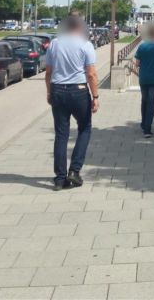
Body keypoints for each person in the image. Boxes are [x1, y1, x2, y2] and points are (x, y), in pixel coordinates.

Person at [44, 15, 100, 191]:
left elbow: (48, 72)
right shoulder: (86, 45)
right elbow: (91, 74)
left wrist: (49, 92)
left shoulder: (54, 43)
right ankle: (74, 171)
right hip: (79, 91)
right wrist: (95, 97)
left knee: (61, 134)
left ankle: (60, 178)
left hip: (58, 90)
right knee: (84, 128)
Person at [133, 22, 154, 138]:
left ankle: (143, 124)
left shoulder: (142, 46)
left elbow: (137, 63)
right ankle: (147, 129)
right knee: (151, 104)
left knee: (144, 101)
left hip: (144, 78)